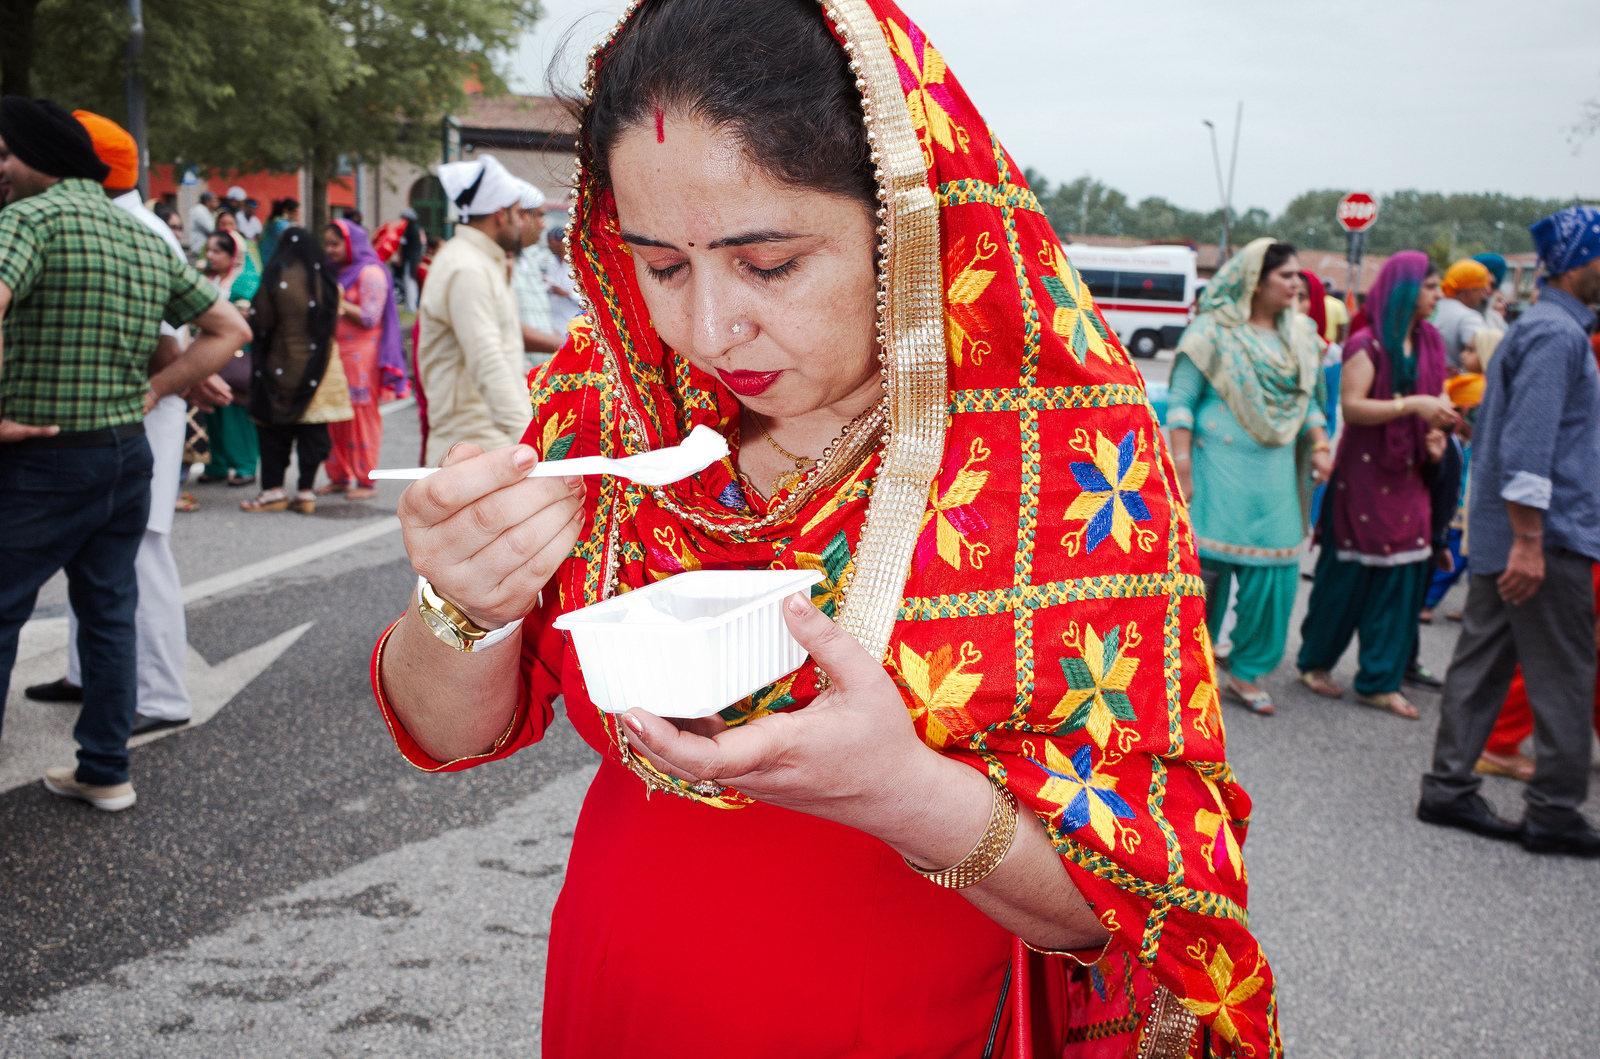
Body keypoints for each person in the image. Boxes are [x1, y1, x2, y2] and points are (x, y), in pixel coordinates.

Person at [370, 2, 1279, 1054]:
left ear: (908, 222)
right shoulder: (613, 395)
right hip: (619, 981)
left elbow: (1145, 902)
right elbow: (447, 731)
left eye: (768, 266)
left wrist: (907, 795)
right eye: (662, 266)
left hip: (901, 1013)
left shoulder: (1063, 453)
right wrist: (463, 603)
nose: (709, 331)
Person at [0, 95, 250, 811]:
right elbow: (227, 326)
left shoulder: (27, 221)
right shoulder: (138, 235)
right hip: (122, 453)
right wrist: (157, 390)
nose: (2, 168)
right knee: (110, 611)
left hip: (41, 456)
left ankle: (104, 766)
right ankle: (106, 768)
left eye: (6, 153)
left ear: (36, 158)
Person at [1418, 206, 1600, 857]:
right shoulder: (1558, 336)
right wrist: (1529, 538)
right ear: (1581, 262)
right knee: (1564, 673)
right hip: (1543, 540)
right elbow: (1528, 446)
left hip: (1512, 536)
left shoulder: (1537, 328)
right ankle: (1553, 809)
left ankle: (1447, 786)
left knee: (1482, 662)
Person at [1169, 241, 1330, 716]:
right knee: (1207, 575)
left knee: (1277, 575)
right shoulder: (1212, 333)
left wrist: (1320, 445)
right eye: (1286, 276)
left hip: (1276, 475)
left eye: (1299, 276)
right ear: (1255, 280)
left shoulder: (1300, 335)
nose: (1296, 284)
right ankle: (1189, 671)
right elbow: (1180, 402)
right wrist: (1182, 469)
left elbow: (1307, 404)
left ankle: (1244, 670)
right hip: (1216, 470)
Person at [1297, 252, 1459, 719]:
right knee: (1345, 578)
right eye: (1430, 286)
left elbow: (1439, 399)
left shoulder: (1430, 341)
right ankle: (1315, 663)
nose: (1437, 295)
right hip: (1365, 475)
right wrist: (1414, 406)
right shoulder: (1367, 344)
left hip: (1412, 474)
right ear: (1407, 292)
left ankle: (1378, 680)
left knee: (1402, 577)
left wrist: (1438, 428)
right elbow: (1352, 406)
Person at [414, 154, 531, 466]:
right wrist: (528, 434)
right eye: (518, 213)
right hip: (472, 442)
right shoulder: (466, 267)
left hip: (487, 436)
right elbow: (487, 358)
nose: (521, 223)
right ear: (499, 214)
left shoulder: (477, 261)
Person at [241, 227, 354, 513]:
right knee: (313, 430)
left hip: (283, 365)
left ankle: (273, 491)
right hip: (322, 368)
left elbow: (263, 321)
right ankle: (305, 492)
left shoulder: (276, 278)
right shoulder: (328, 282)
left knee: (273, 428)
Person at [319, 218, 406, 499]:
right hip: (333, 353)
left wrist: (338, 303)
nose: (329, 249)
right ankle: (340, 476)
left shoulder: (370, 272)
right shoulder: (335, 272)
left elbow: (370, 317)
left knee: (360, 415)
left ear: (350, 243)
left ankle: (366, 480)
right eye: (327, 244)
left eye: (335, 244)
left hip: (362, 355)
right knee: (332, 414)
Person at [197, 230, 261, 485]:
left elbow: (245, 317)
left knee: (236, 407)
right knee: (210, 406)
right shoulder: (207, 278)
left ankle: (245, 464)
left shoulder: (246, 280)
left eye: (216, 251)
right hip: (206, 350)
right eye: (208, 251)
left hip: (236, 352)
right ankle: (218, 462)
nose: (210, 256)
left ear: (232, 254)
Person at [510, 182, 565, 361]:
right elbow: (508, 327)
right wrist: (564, 346)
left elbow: (540, 319)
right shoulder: (501, 260)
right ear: (521, 216)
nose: (543, 226)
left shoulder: (531, 257)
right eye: (539, 216)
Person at [1434, 259, 1494, 373]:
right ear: (1470, 291)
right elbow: (1484, 356)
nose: (1483, 296)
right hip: (1458, 388)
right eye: (1482, 290)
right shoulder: (1468, 318)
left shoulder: (1431, 309)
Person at [544, 224, 581, 336]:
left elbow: (588, 299)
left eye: (551, 242)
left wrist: (567, 294)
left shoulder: (577, 264)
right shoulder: (551, 262)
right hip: (553, 324)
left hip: (572, 323)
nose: (548, 246)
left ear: (561, 242)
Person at [259, 197, 299, 265]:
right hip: (271, 261)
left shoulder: (272, 221)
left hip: (263, 259)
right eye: (294, 211)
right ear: (286, 210)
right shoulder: (281, 224)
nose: (296, 214)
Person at [398, 206, 424, 310]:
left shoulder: (410, 229)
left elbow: (403, 244)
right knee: (410, 281)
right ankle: (410, 304)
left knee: (409, 281)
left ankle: (411, 305)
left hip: (410, 259)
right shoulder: (416, 228)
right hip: (414, 259)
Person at [186, 189, 216, 256]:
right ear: (207, 201)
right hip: (199, 248)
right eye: (214, 201)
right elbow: (212, 229)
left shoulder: (208, 211)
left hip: (205, 248)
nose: (217, 203)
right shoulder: (199, 210)